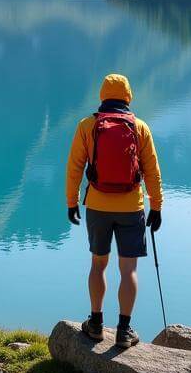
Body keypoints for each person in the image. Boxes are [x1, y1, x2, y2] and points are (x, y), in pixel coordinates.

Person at [66, 73, 163, 349]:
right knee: (128, 269)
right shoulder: (140, 127)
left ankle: (95, 324)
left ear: (102, 96)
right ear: (128, 96)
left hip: (97, 205)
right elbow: (152, 170)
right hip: (132, 206)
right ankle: (123, 330)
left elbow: (75, 168)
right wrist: (156, 205)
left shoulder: (87, 125)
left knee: (98, 263)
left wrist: (71, 202)